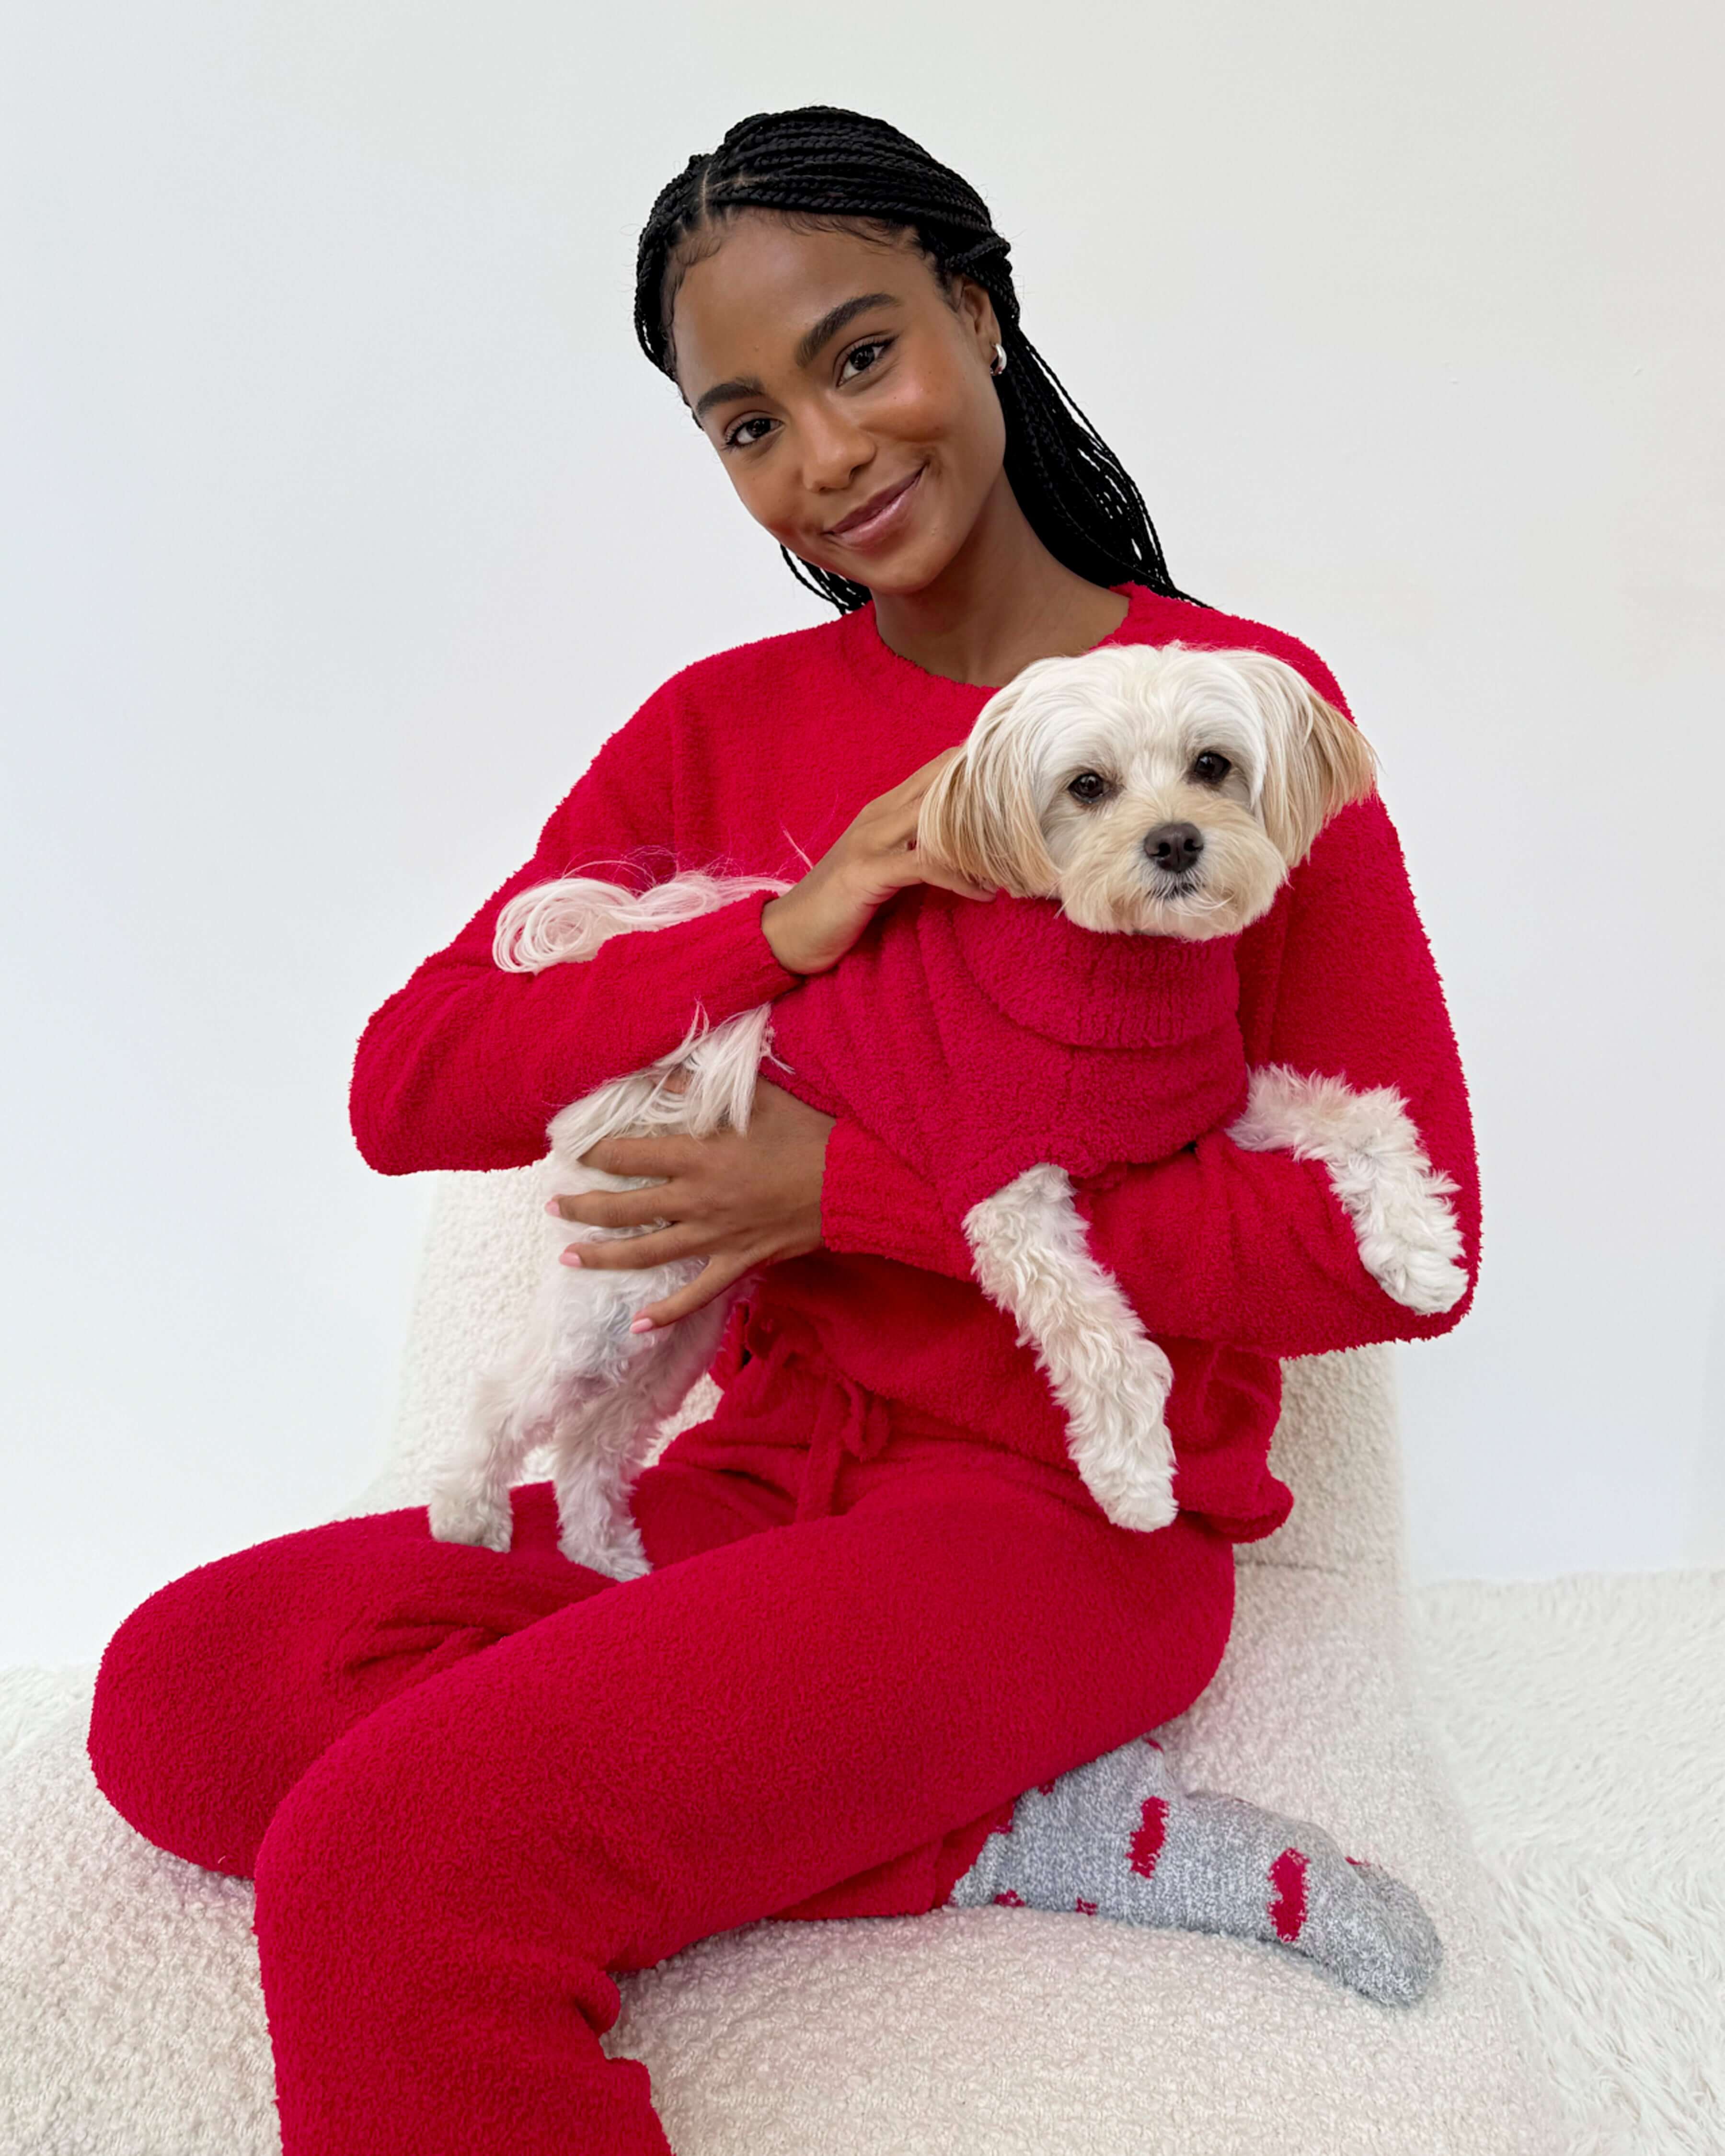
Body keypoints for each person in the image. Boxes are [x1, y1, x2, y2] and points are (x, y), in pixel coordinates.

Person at [85, 107, 1478, 2156]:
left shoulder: (1232, 714)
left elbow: (1382, 1250)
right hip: (742, 1490)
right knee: (186, 1697)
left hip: (1058, 1533)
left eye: (857, 357)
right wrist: (786, 922)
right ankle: (975, 1830)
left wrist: (852, 1193)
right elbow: (413, 1087)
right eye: (746, 424)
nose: (823, 455)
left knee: (396, 1859)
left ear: (979, 315)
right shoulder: (719, 730)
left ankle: (923, 1775)